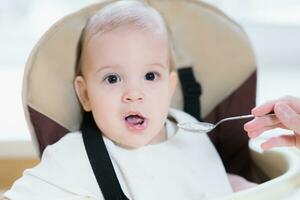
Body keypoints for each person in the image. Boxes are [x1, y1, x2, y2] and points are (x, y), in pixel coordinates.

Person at [4, 1, 255, 199]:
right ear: (85, 95)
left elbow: (213, 183)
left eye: (150, 75)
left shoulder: (191, 131)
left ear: (169, 88)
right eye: (112, 78)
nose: (134, 93)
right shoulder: (73, 156)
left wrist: (245, 188)